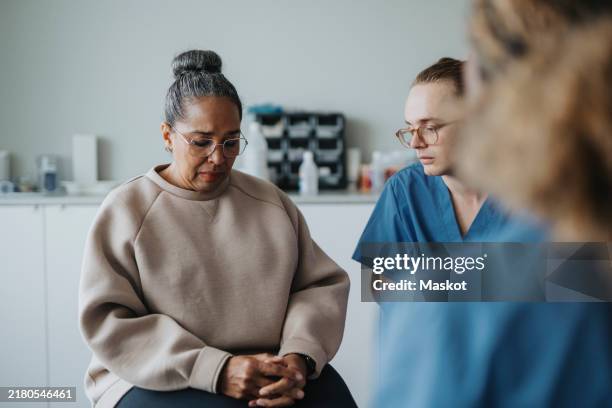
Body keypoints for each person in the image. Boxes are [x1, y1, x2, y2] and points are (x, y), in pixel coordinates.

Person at [78, 50, 356, 408]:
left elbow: (317, 287)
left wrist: (298, 357)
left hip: (263, 363)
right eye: (201, 141)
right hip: (151, 372)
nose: (218, 157)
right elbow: (110, 320)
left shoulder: (269, 202)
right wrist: (217, 369)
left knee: (332, 396)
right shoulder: (128, 209)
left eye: (230, 141)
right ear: (167, 135)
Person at [354, 54, 612, 407]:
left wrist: (431, 282)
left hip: (524, 375)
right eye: (408, 129)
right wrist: (511, 275)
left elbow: (582, 279)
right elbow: (380, 284)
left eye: (431, 127)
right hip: (428, 375)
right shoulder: (404, 191)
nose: (415, 143)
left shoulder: (532, 191)